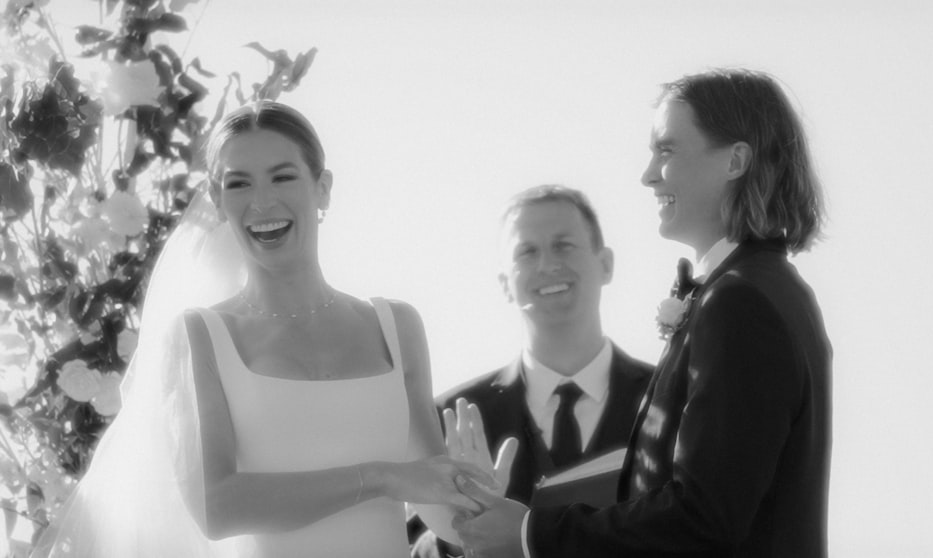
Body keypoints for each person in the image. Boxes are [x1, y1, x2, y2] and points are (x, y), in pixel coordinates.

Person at [32, 101, 495, 558]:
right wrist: (381, 477)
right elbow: (217, 508)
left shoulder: (397, 326)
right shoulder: (199, 337)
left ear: (323, 188)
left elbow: (440, 514)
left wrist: (473, 496)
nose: (262, 202)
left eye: (283, 176)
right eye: (239, 184)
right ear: (218, 201)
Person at [452, 68, 833, 558]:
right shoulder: (759, 289)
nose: (648, 174)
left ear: (736, 160)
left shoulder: (741, 303)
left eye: (667, 149)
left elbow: (705, 515)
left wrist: (530, 535)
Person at [410, 186, 652, 558]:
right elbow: (407, 546)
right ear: (505, 283)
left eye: (563, 245)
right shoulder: (449, 419)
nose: (547, 265)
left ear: (606, 264)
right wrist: (458, 531)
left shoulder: (670, 397)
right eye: (527, 252)